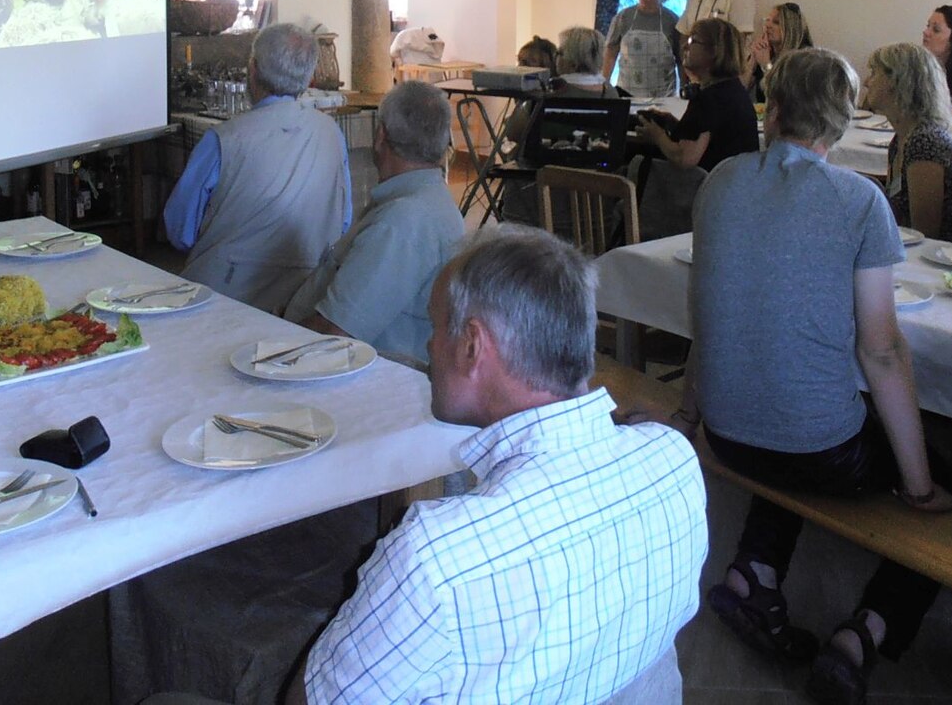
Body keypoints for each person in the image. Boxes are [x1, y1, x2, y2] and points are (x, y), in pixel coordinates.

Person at [294, 227, 708, 704]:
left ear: (472, 346)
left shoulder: (434, 559)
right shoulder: (674, 460)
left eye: (435, 327)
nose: (429, 348)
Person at [683, 48, 952, 704]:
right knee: (949, 483)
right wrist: (918, 487)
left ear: (771, 110)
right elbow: (882, 350)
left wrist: (689, 413)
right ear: (841, 126)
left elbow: (709, 314)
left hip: (724, 429)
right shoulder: (859, 200)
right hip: (819, 452)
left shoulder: (721, 179)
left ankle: (756, 573)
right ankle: (863, 633)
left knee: (792, 418)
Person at [165, 23, 352, 313]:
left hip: (224, 298)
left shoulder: (223, 139)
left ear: (252, 69)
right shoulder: (332, 134)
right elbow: (343, 220)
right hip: (305, 300)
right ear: (310, 78)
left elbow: (180, 231)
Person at [284, 81, 467, 363]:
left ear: (380, 136)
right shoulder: (427, 198)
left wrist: (275, 337)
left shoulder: (403, 221)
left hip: (368, 377)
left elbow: (336, 333)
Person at [864, 43, 952, 240]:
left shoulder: (925, 142)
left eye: (874, 73)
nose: (867, 82)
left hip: (943, 258)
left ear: (898, 82)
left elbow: (924, 234)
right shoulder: (902, 137)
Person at [638, 18, 758, 173]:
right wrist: (675, 126)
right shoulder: (733, 91)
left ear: (714, 51)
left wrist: (657, 135)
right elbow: (710, 137)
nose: (684, 46)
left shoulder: (709, 99)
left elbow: (685, 158)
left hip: (706, 191)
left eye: (692, 40)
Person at [603, 0, 682, 98]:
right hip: (627, 92)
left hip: (663, 94)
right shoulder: (623, 17)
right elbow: (610, 53)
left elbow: (680, 58)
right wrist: (604, 84)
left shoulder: (672, 19)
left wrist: (683, 88)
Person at [744, 2, 813, 103]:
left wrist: (766, 65)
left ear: (790, 28)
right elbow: (741, 88)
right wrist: (753, 61)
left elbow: (784, 97)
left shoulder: (803, 58)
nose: (768, 25)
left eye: (776, 22)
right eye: (768, 20)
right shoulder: (766, 50)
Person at [554, 26, 614, 94]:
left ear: (574, 62)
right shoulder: (612, 92)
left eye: (558, 52)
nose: (555, 57)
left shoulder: (551, 93)